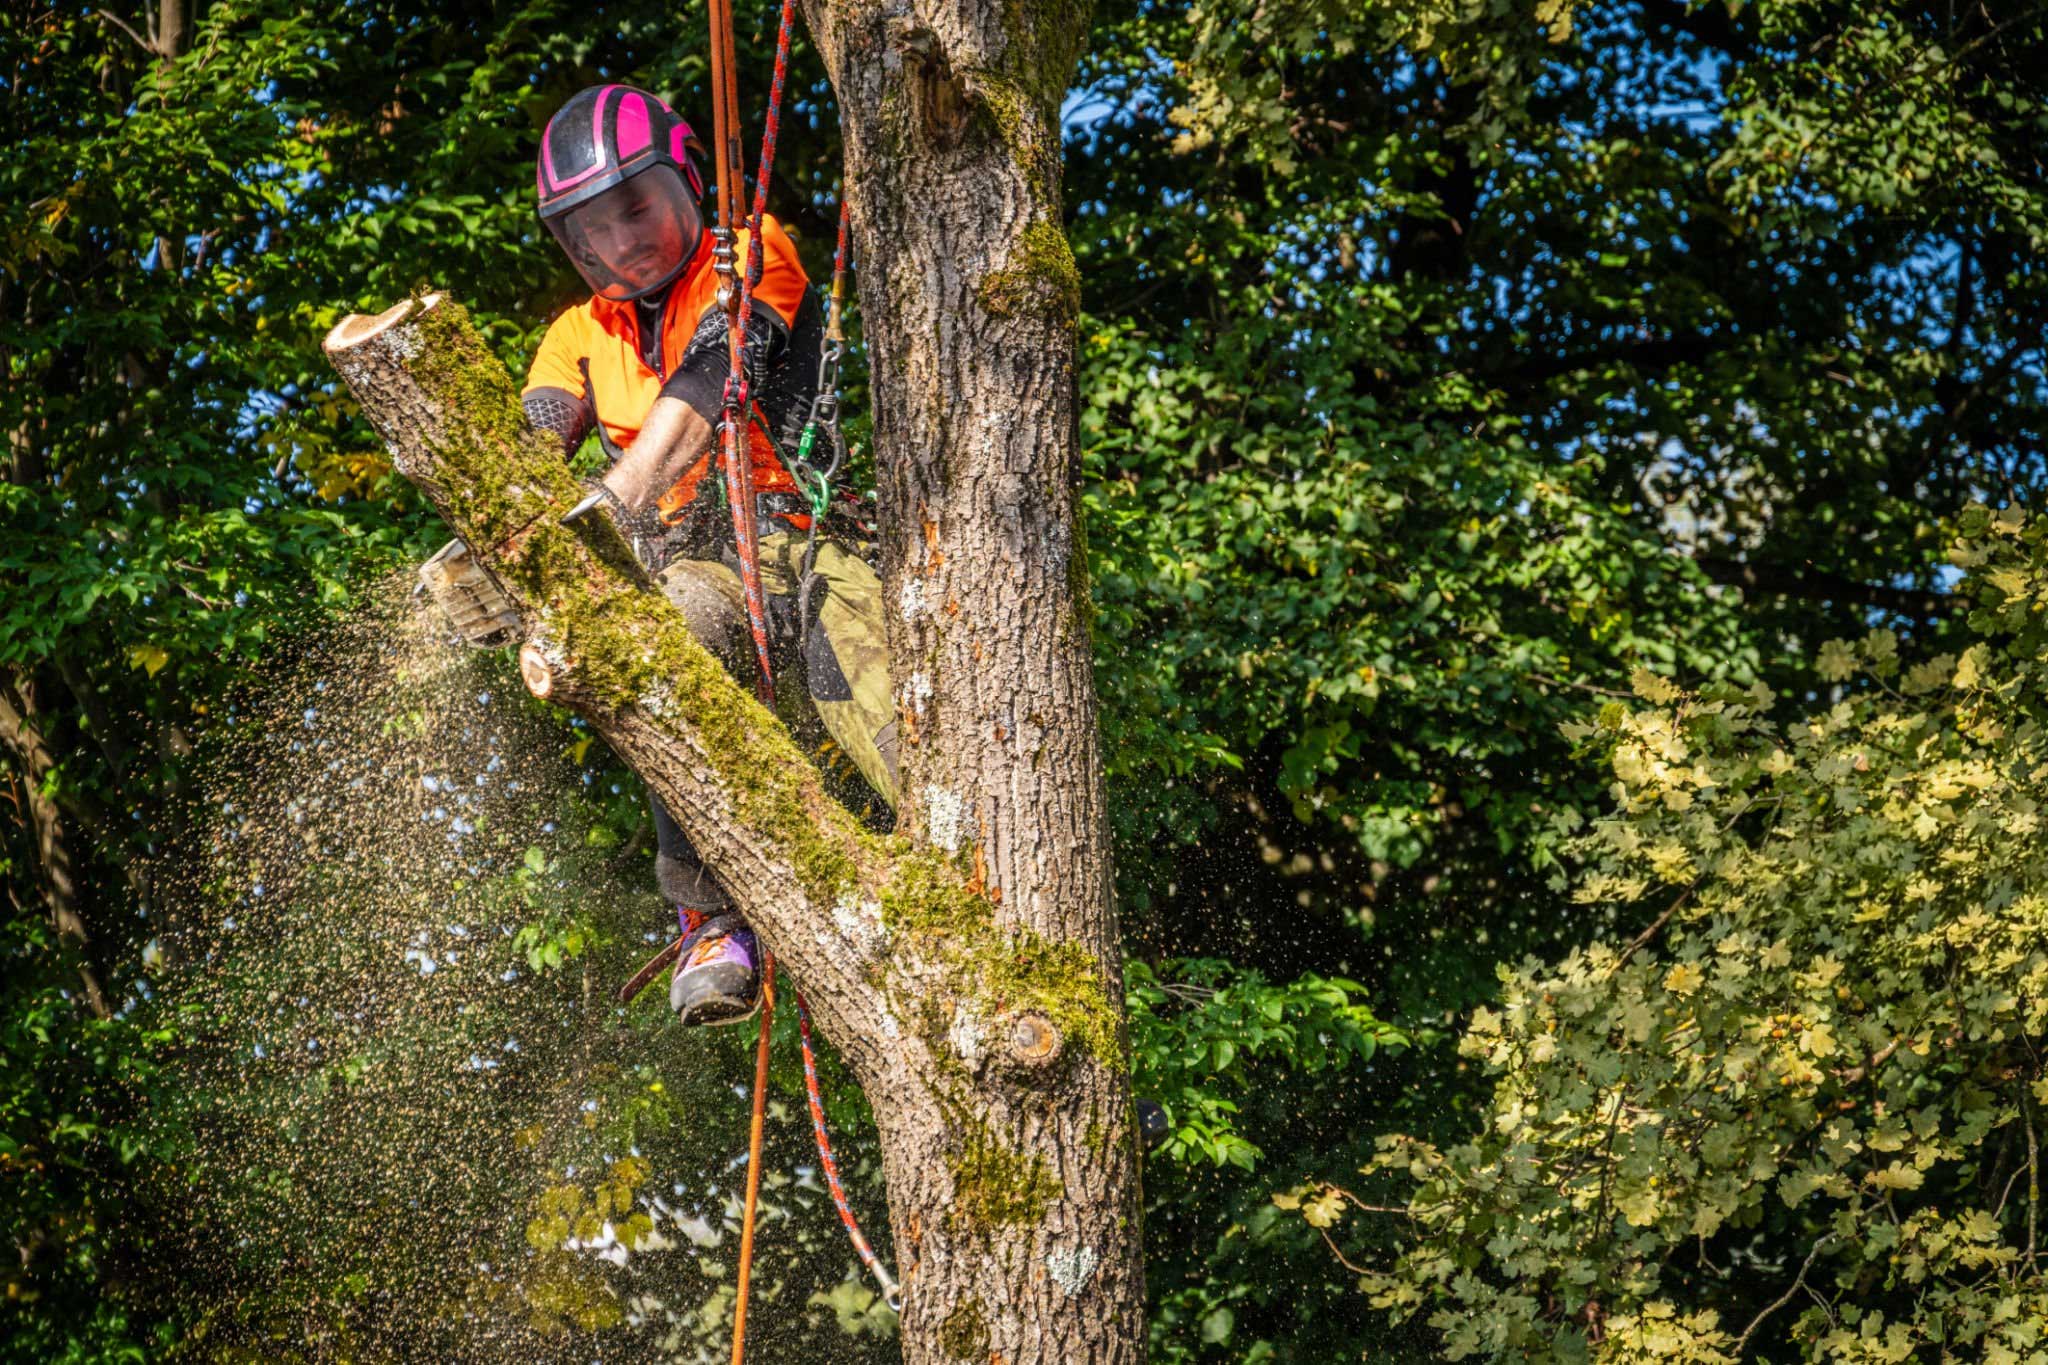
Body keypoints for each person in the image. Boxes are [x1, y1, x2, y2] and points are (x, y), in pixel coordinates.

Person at [519, 83, 897, 1024]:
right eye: (595, 229)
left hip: (802, 538)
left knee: (866, 679)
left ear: (684, 180)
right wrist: (507, 561)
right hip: (693, 562)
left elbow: (709, 381)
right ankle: (709, 912)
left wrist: (613, 501)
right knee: (667, 627)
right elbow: (527, 458)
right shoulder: (575, 336)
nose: (622, 241)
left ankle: (975, 874)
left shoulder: (751, 255)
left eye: (637, 208)